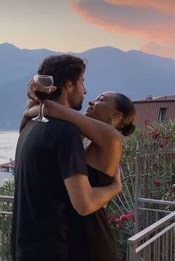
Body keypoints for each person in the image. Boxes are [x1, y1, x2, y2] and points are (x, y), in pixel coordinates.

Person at [11, 54, 122, 261]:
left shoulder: (29, 125)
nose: (85, 91)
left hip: (23, 248)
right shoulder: (65, 133)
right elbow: (84, 204)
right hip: (51, 252)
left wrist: (37, 106)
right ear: (69, 85)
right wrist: (116, 187)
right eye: (82, 82)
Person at [25, 88, 136, 261]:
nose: (92, 101)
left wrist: (28, 112)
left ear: (116, 115)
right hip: (74, 236)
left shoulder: (111, 138)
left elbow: (50, 109)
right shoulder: (85, 140)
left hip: (92, 241)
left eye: (101, 99)